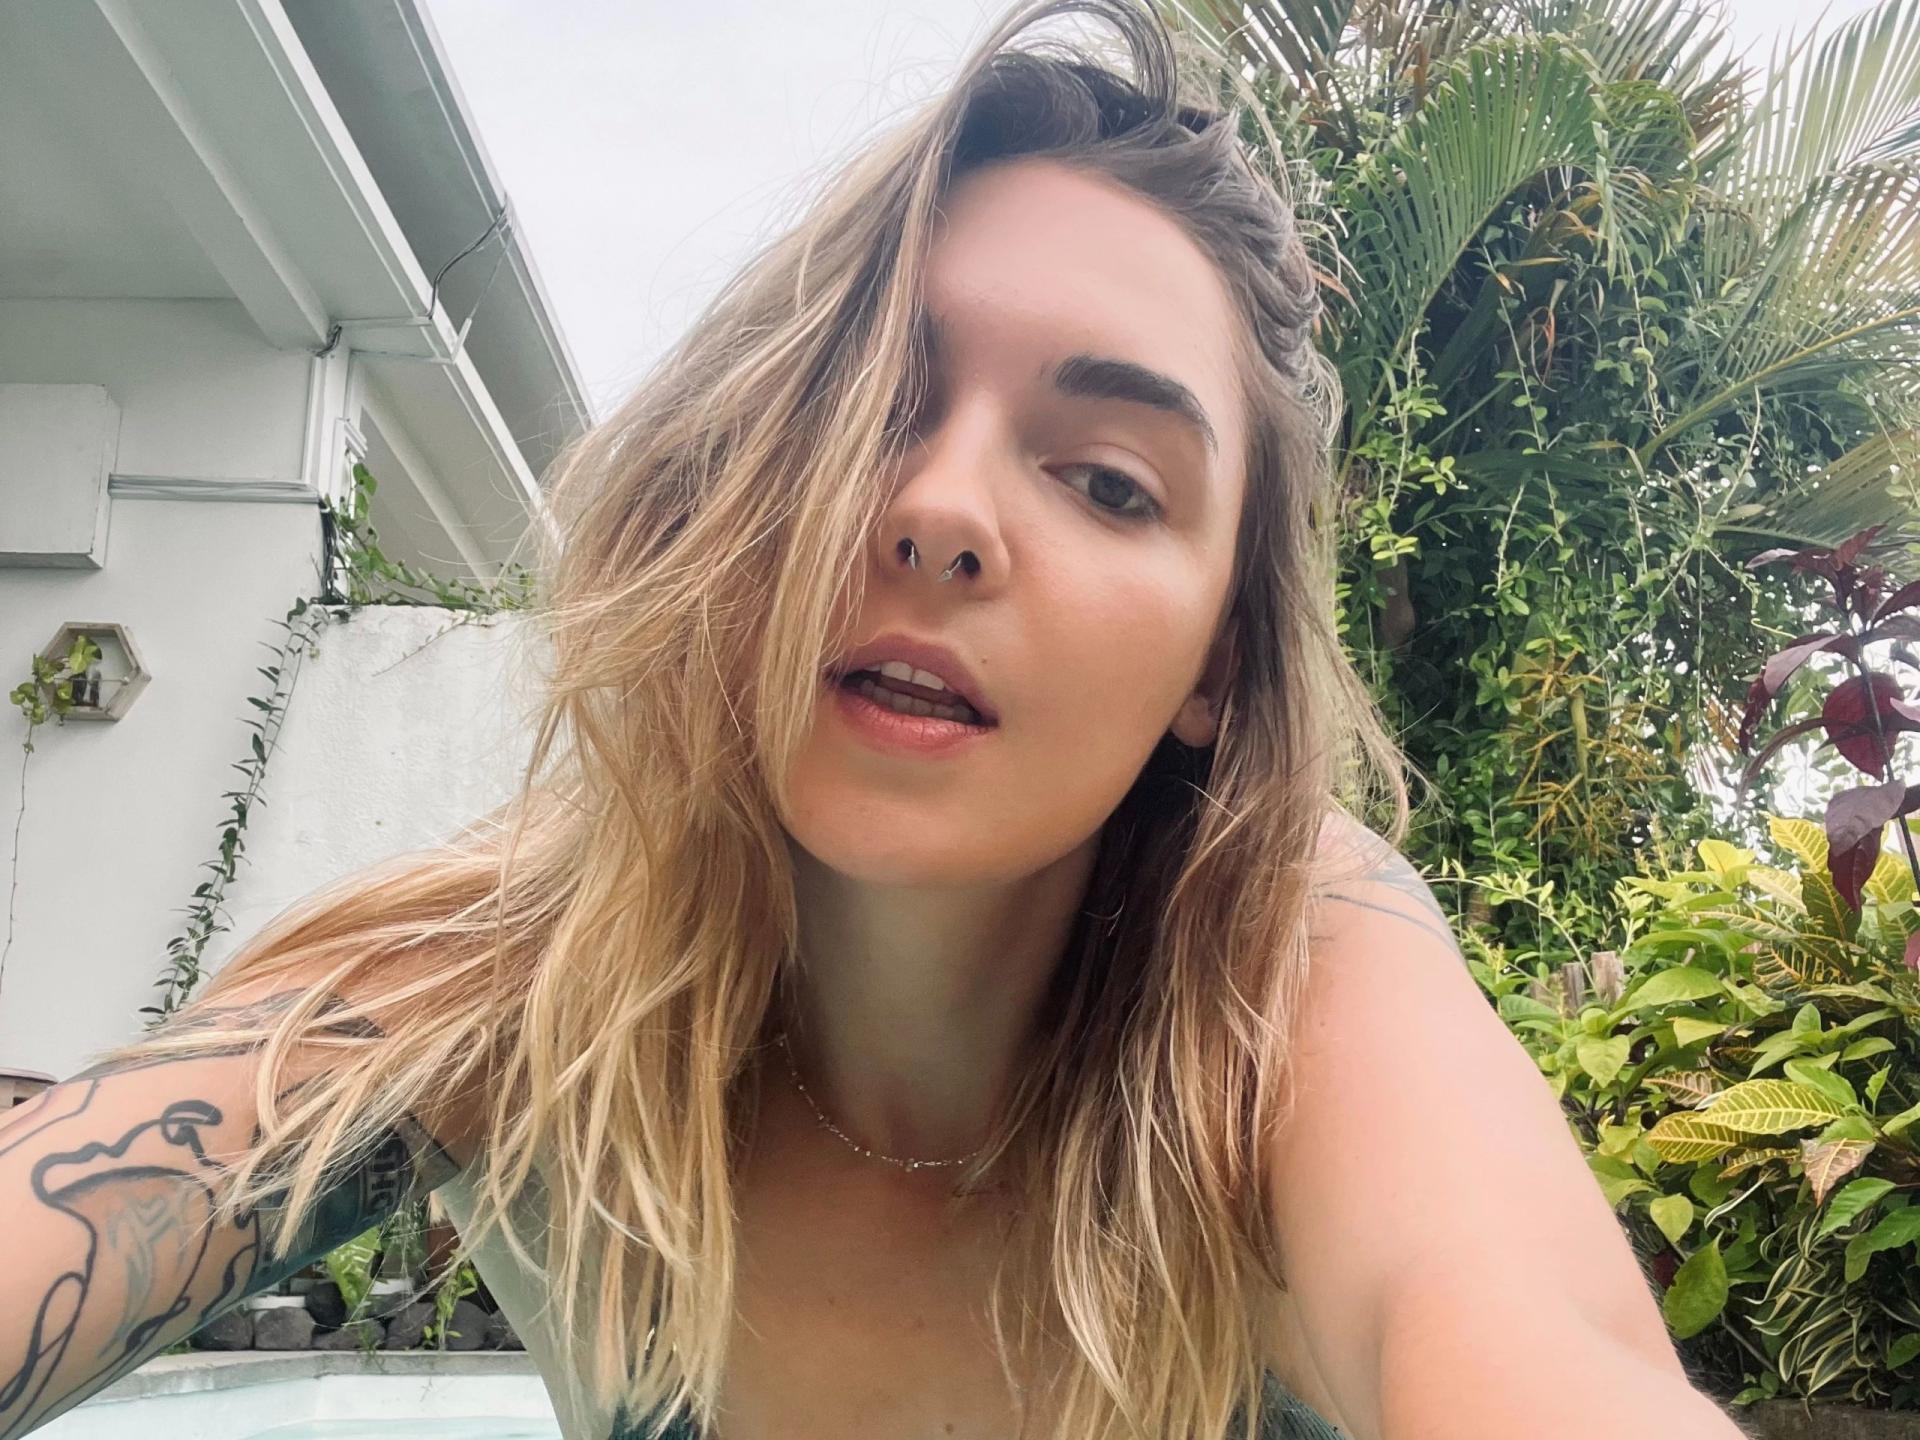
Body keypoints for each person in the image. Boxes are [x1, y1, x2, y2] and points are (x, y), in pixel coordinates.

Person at [0, 3, 1749, 1438]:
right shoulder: (521, 984)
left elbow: (1527, 1340)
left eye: (1109, 480)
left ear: (1217, 668)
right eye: (866, 405)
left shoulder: (1294, 966)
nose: (938, 510)